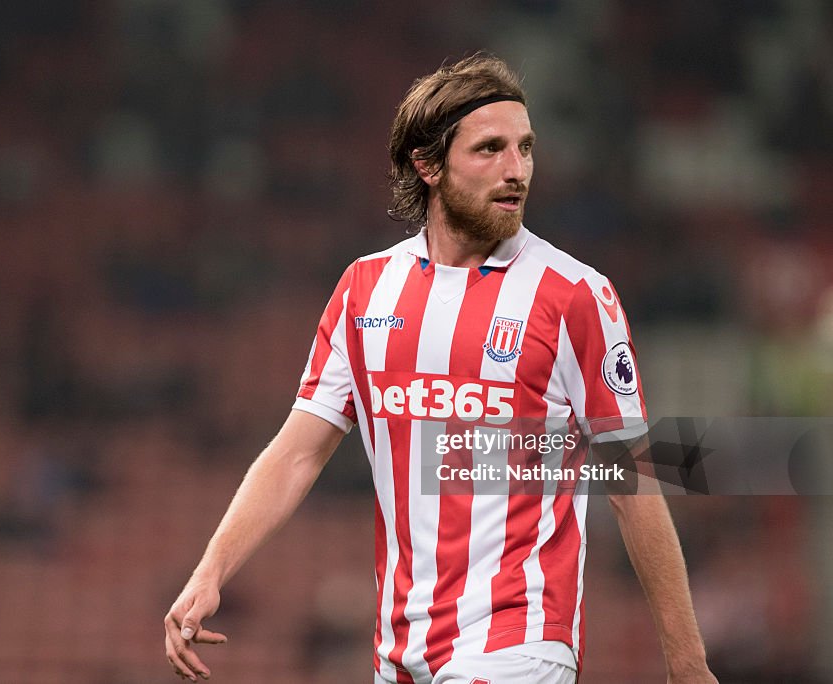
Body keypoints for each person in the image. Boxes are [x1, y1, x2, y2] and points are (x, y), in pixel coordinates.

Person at [164, 54, 717, 684]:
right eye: (490, 150)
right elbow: (297, 453)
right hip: (399, 652)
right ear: (428, 166)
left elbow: (632, 480)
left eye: (525, 148)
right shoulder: (364, 291)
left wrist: (687, 661)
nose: (517, 171)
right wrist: (209, 572)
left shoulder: (574, 296)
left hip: (521, 641)